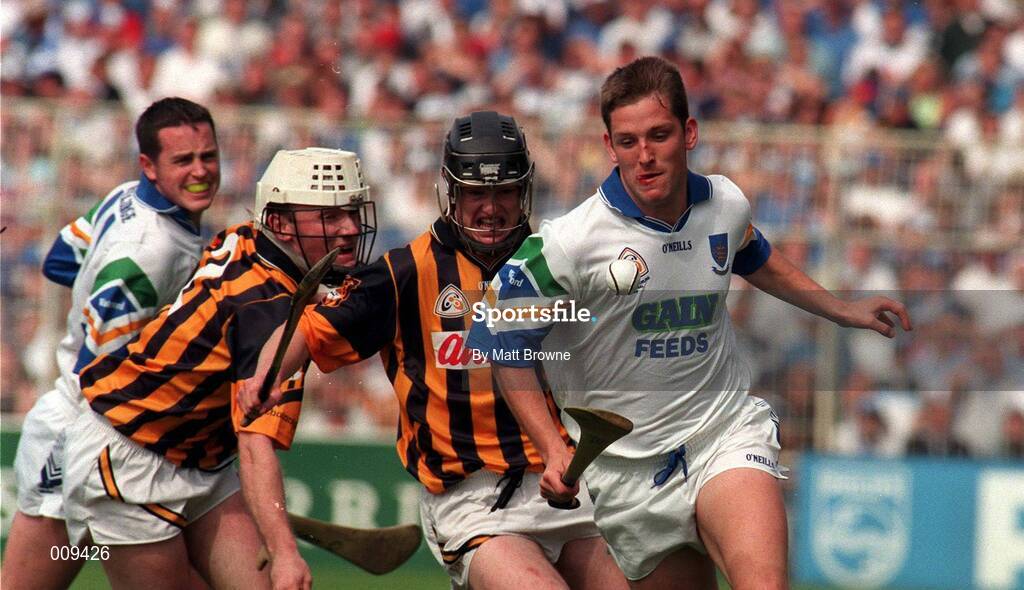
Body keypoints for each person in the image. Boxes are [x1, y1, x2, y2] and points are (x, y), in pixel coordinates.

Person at [467, 56, 913, 590]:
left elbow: (753, 256)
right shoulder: (568, 242)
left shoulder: (724, 202)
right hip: (626, 476)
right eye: (628, 142)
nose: (645, 156)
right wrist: (554, 447)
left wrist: (842, 309)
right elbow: (501, 338)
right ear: (609, 147)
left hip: (721, 433)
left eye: (659, 135)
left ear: (689, 133)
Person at [239, 112, 627, 590]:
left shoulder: (555, 257)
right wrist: (268, 374)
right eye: (476, 193)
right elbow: (305, 331)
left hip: (569, 485)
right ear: (450, 192)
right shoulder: (403, 273)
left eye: (504, 192)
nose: (492, 208)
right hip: (475, 502)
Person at [60, 147, 377, 590]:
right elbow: (254, 443)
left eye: (351, 212)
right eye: (329, 217)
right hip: (129, 456)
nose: (349, 229)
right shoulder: (269, 314)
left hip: (201, 460)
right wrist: (285, 553)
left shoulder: (250, 238)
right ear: (282, 224)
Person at [3, 96, 221, 590]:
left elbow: (59, 260)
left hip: (103, 436)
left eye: (208, 156)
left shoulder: (126, 195)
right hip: (87, 437)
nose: (201, 171)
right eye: (183, 161)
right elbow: (100, 373)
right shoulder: (151, 255)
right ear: (149, 165)